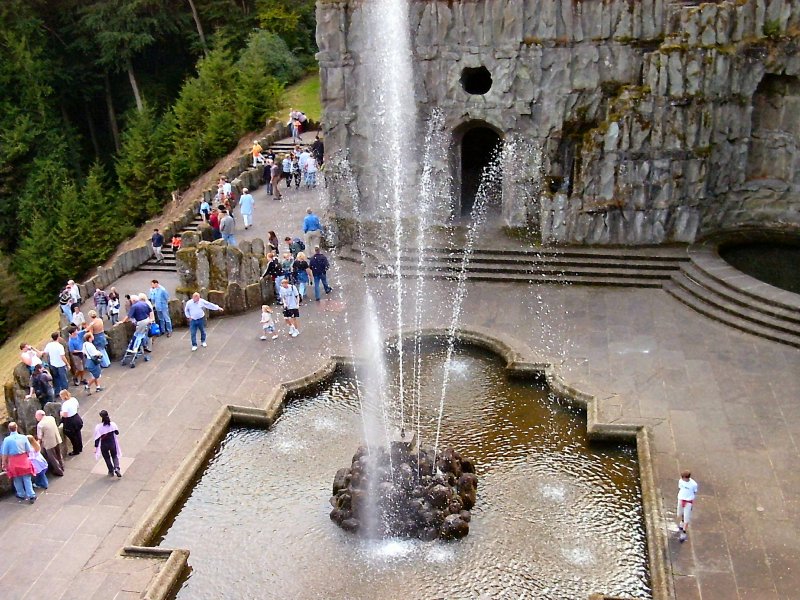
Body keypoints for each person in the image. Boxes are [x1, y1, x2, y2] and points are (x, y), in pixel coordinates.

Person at [1, 422, 36, 503]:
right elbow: (28, 449)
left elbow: (4, 453)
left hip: (13, 461)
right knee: (27, 478)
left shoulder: (6, 440)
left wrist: (4, 463)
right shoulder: (23, 437)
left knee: (17, 478)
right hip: (23, 459)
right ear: (16, 428)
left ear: (9, 429)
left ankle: (21, 494)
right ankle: (31, 495)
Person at [35, 409, 64, 476]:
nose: (36, 418)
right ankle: (62, 466)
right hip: (57, 439)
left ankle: (59, 471)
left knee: (53, 458)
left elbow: (40, 437)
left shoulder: (40, 425)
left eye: (36, 416)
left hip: (49, 443)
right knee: (59, 454)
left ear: (40, 416)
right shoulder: (51, 418)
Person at [94, 410, 122, 478]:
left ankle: (111, 470)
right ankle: (117, 468)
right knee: (114, 456)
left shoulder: (98, 427)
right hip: (112, 443)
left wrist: (96, 447)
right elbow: (117, 432)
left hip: (104, 445)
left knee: (107, 458)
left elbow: (97, 438)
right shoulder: (112, 424)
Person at [677, 470, 698, 543]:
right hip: (681, 499)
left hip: (688, 502)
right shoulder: (681, 481)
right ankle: (682, 522)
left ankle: (683, 532)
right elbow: (680, 488)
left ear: (686, 478)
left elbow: (694, 491)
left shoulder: (693, 484)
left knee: (687, 518)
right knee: (680, 513)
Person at [60, 389, 83, 455]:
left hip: (70, 421)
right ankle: (80, 447)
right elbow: (77, 407)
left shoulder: (65, 404)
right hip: (77, 418)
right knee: (78, 433)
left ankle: (76, 450)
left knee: (72, 436)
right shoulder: (74, 399)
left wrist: (60, 413)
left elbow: (65, 415)